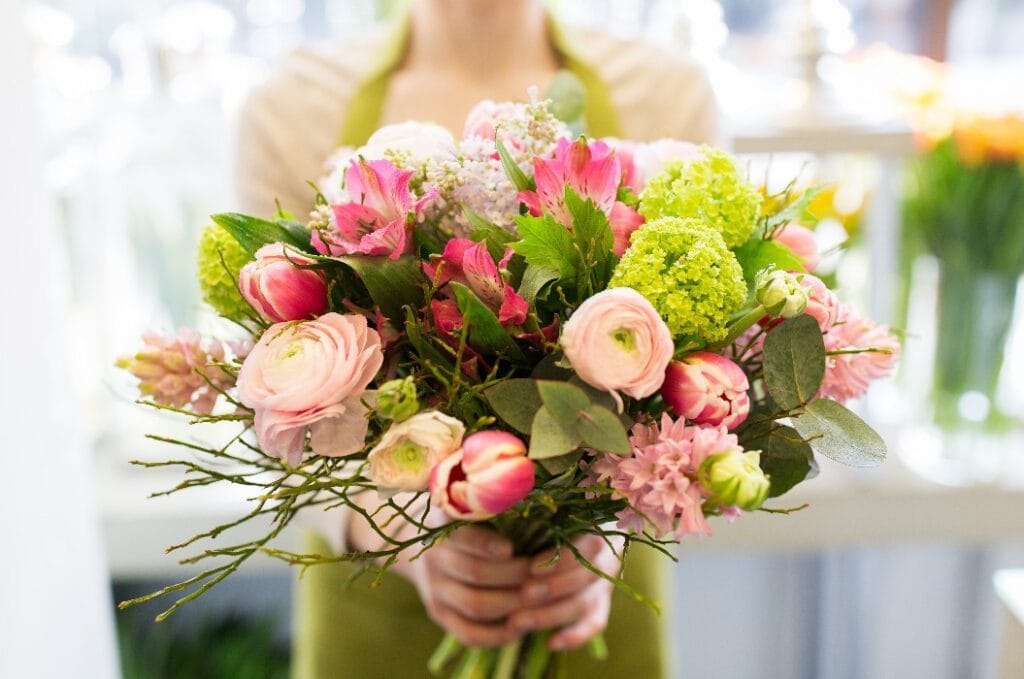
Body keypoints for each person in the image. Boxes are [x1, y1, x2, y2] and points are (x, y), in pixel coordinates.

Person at [235, 2, 718, 677]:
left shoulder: (663, 93)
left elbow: (703, 376)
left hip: (586, 604)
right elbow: (266, 405)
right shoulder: (294, 106)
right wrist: (401, 532)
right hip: (376, 612)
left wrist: (605, 523)